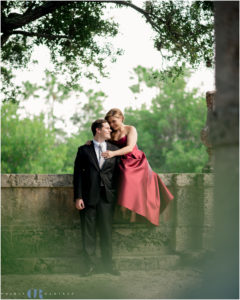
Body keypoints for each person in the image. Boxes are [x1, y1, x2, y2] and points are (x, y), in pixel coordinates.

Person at [101, 108, 174, 226]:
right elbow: (100, 140)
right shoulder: (111, 133)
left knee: (127, 174)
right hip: (119, 160)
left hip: (134, 160)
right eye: (109, 122)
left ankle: (127, 209)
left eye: (114, 121)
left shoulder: (131, 129)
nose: (112, 125)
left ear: (121, 118)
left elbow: (130, 147)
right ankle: (124, 210)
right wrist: (90, 142)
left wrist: (113, 153)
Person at [73, 119, 120, 276]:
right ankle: (89, 266)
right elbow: (78, 175)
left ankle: (108, 265)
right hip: (88, 197)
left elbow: (119, 175)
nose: (110, 130)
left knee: (107, 232)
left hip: (107, 197)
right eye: (106, 128)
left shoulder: (115, 149)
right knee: (88, 233)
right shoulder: (83, 150)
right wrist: (78, 197)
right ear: (97, 130)